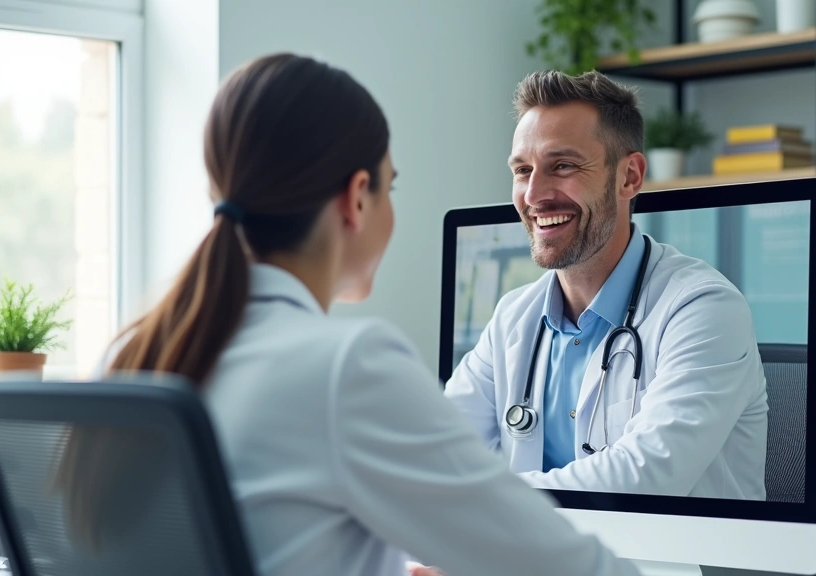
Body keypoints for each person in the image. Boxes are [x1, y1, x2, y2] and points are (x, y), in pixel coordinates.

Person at [54, 54, 644, 576]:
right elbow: (572, 568)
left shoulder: (133, 354)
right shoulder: (348, 367)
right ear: (356, 197)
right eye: (390, 186)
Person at [443, 70, 769, 500]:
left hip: (675, 565)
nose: (535, 194)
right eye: (523, 171)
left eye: (563, 166)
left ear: (629, 176)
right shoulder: (513, 318)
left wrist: (483, 500)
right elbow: (436, 453)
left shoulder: (703, 308)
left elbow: (645, 480)